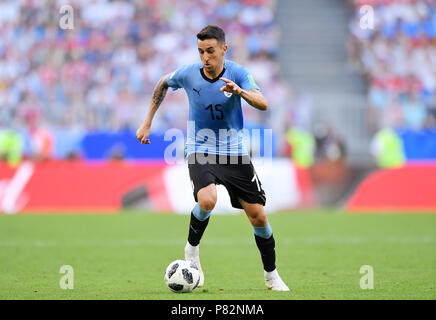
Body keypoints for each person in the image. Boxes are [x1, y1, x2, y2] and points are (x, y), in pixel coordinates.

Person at [136, 25, 289, 291]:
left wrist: (239, 91)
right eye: (200, 52)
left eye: (210, 51)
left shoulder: (238, 73)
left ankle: (271, 276)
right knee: (207, 199)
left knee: (258, 217)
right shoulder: (188, 74)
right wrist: (147, 122)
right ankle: (191, 250)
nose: (205, 57)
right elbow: (163, 83)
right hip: (200, 147)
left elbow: (263, 102)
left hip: (234, 152)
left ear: (223, 50)